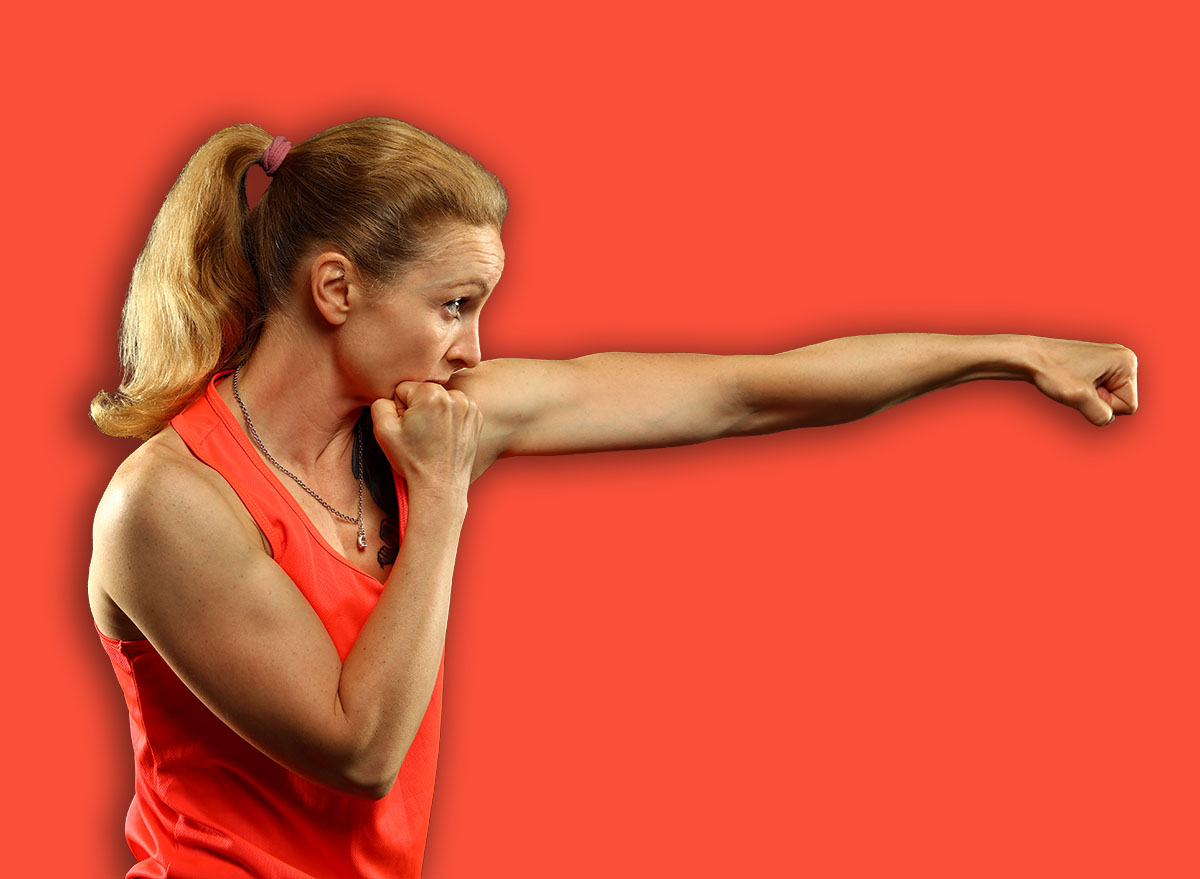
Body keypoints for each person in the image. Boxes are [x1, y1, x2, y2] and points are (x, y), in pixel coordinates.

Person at [88, 117, 1139, 878]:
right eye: (454, 305)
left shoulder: (418, 419)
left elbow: (746, 391)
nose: (474, 348)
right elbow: (359, 751)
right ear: (336, 289)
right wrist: (441, 500)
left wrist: (1013, 351)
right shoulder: (171, 504)